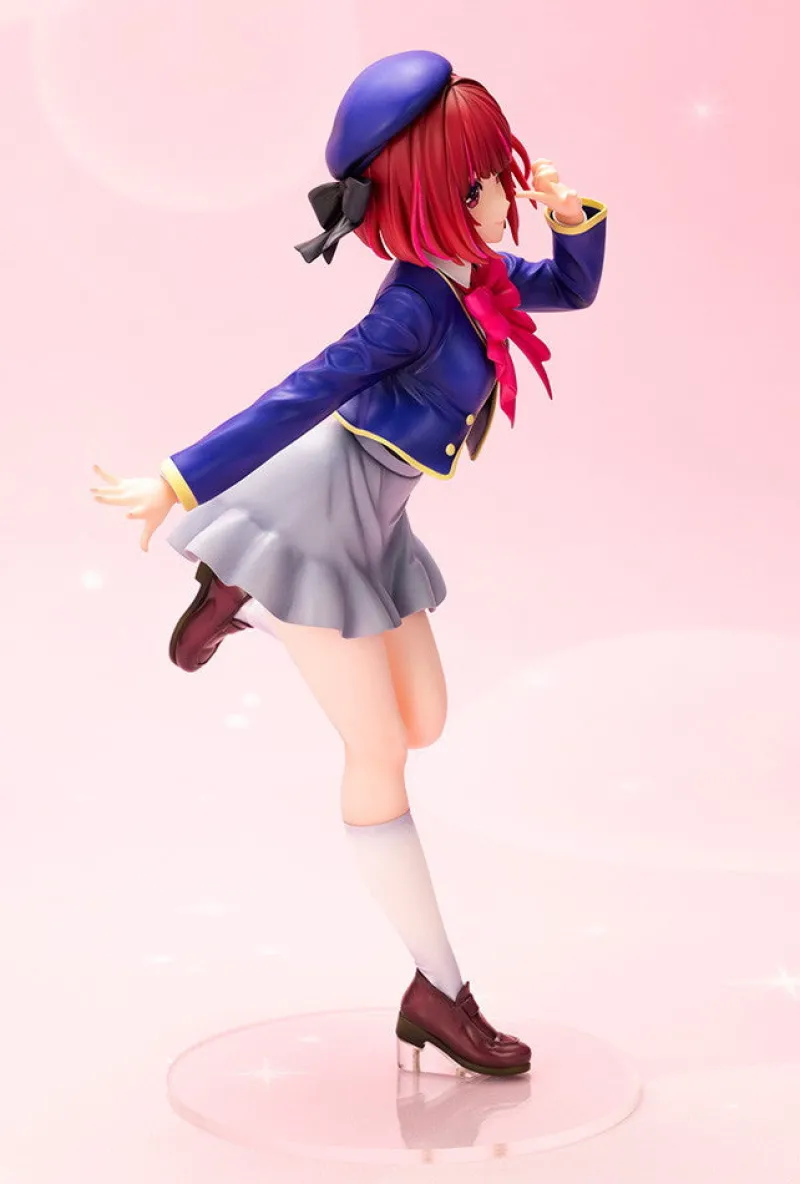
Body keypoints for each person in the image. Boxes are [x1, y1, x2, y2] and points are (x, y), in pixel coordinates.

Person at [92, 49, 607, 1078]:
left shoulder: (480, 276)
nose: (499, 197)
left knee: (425, 721)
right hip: (320, 513)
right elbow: (304, 391)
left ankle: (235, 586)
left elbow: (571, 288)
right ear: (424, 200)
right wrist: (178, 480)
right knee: (378, 753)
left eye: (496, 172)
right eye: (478, 183)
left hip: (379, 519)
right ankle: (438, 988)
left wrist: (569, 215)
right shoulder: (410, 304)